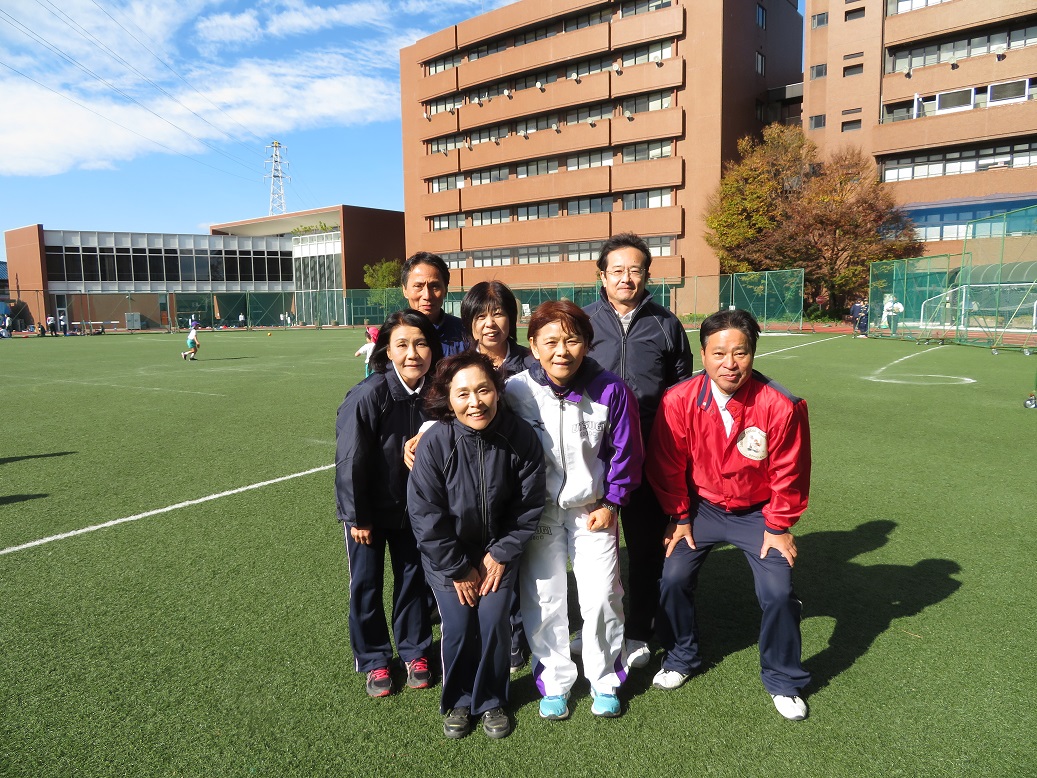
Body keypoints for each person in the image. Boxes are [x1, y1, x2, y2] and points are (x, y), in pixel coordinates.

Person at [645, 309, 812, 721]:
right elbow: (667, 463)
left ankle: (782, 679)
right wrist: (680, 515)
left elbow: (790, 471)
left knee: (778, 592)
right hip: (700, 510)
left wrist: (779, 525)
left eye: (740, 353)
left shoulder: (780, 404)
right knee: (672, 577)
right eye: (719, 353)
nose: (730, 363)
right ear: (703, 354)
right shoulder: (679, 399)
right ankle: (681, 656)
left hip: (758, 514)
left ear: (753, 354)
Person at [505, 301, 643, 720]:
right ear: (533, 345)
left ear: (586, 343)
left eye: (572, 340)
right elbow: (474, 419)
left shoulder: (610, 389)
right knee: (544, 598)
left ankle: (605, 679)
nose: (561, 351)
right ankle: (555, 681)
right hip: (538, 512)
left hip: (592, 509)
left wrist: (613, 501)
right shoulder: (516, 390)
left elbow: (626, 452)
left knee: (601, 595)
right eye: (550, 341)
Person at [408, 352, 546, 739]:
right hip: (448, 557)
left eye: (483, 390)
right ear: (448, 399)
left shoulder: (520, 436)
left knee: (493, 620)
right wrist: (457, 568)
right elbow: (425, 514)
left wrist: (501, 553)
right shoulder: (436, 442)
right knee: (457, 625)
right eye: (463, 393)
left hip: (498, 552)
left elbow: (528, 505)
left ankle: (491, 699)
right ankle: (459, 699)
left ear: (497, 391)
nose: (475, 402)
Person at [583, 233, 694, 670]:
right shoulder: (584, 322)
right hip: (595, 454)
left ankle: (638, 630)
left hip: (649, 453)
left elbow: (682, 391)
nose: (626, 278)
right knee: (596, 548)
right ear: (602, 276)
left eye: (635, 270)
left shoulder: (667, 324)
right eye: (617, 270)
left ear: (647, 275)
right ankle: (594, 626)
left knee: (646, 548)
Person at [335, 309, 442, 698]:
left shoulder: (437, 393)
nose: (413, 353)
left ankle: (415, 650)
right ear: (388, 351)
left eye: (421, 343)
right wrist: (356, 516)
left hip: (413, 509)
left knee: (413, 580)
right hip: (368, 512)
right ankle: (374, 658)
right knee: (366, 584)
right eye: (403, 345)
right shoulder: (370, 394)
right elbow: (350, 459)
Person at [460, 280, 536, 672]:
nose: (490, 323)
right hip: (471, 483)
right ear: (469, 322)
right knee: (475, 565)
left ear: (512, 318)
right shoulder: (457, 365)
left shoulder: (532, 364)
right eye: (480, 315)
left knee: (516, 563)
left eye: (498, 313)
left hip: (519, 478)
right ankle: (475, 634)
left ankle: (514, 639)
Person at [401, 251, 466, 356]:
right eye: (418, 286)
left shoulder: (465, 334)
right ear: (404, 290)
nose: (427, 296)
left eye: (435, 286)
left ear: (445, 290)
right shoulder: (392, 334)